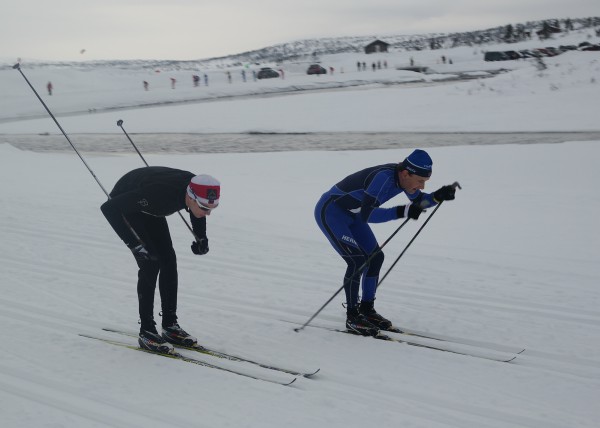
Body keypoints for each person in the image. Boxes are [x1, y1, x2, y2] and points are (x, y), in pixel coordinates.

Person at [314, 149, 456, 336]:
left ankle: (367, 310)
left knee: (375, 258)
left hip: (354, 214)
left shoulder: (404, 180)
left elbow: (419, 202)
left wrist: (438, 196)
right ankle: (353, 317)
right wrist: (403, 211)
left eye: (425, 183)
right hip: (332, 212)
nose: (421, 186)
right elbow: (368, 214)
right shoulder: (382, 178)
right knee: (357, 261)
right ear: (406, 173)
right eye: (420, 181)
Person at [100, 167, 220, 353]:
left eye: (212, 208)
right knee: (150, 262)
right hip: (125, 206)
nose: (208, 213)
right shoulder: (160, 193)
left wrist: (201, 237)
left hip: (151, 208)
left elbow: (196, 211)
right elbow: (108, 208)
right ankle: (147, 331)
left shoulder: (193, 189)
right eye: (205, 208)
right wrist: (135, 245)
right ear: (190, 196)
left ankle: (170, 326)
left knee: (169, 260)